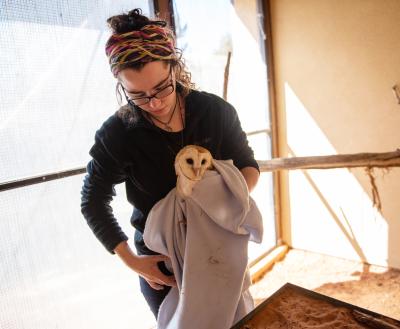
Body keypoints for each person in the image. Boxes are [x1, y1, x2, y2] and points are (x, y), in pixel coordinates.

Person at [80, 8, 260, 319]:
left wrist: (223, 198)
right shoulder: (118, 133)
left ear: (174, 67)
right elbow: (92, 201)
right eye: (137, 94)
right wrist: (132, 261)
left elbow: (248, 166)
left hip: (219, 248)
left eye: (162, 86)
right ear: (120, 85)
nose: (155, 102)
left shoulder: (215, 112)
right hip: (162, 265)